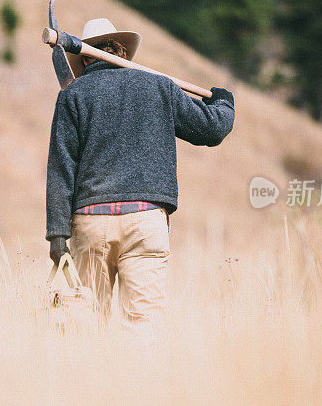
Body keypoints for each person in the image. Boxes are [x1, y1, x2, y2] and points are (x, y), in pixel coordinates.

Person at [45, 18, 235, 340]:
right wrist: (224, 102)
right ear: (122, 52)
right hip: (146, 221)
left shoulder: (73, 95)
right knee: (143, 328)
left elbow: (61, 168)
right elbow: (212, 129)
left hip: (91, 222)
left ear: (85, 58)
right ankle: (139, 389)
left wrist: (57, 235)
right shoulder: (158, 86)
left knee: (87, 329)